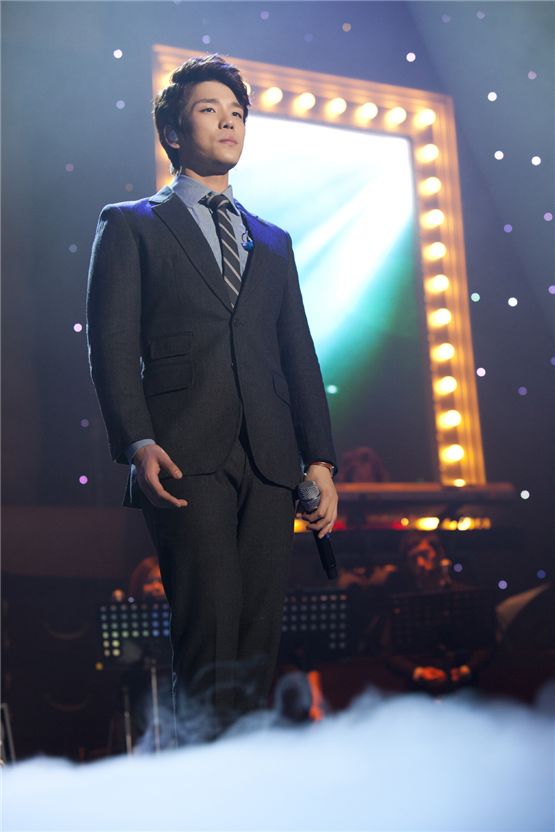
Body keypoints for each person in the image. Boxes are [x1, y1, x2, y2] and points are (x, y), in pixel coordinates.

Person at [87, 54, 338, 741]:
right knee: (207, 628)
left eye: (237, 113)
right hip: (181, 452)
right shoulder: (132, 223)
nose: (228, 122)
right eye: (208, 110)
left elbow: (298, 357)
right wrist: (137, 441)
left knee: (258, 632)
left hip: (268, 458)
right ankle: (201, 795)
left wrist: (319, 460)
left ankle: (251, 785)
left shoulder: (273, 241)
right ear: (172, 132)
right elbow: (110, 345)